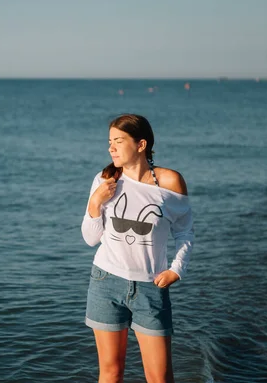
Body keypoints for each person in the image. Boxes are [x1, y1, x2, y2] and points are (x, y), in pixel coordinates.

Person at [81, 114, 194, 383]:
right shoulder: (105, 180)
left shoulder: (170, 183)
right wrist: (95, 203)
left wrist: (176, 270)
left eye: (119, 141)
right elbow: (90, 238)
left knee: (159, 377)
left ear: (141, 145)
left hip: (150, 287)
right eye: (110, 141)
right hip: (105, 282)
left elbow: (185, 232)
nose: (111, 148)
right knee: (110, 373)